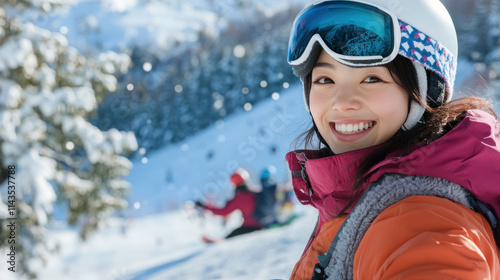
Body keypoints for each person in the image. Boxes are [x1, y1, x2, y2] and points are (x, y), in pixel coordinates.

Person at [284, 0, 500, 279]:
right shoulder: (358, 193)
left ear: (428, 92)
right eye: (325, 80)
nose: (342, 103)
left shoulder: (422, 220)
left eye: (372, 78)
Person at [196, 168, 263, 238]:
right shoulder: (255, 192)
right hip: (261, 224)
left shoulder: (240, 197)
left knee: (229, 238)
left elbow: (224, 211)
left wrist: (205, 206)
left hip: (251, 227)